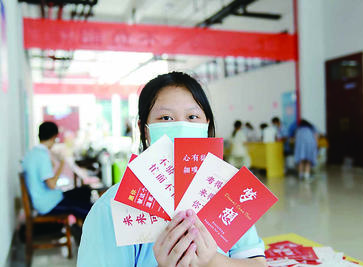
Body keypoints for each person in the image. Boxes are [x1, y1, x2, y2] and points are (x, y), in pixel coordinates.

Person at [77, 72, 266, 267]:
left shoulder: (229, 194)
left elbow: (257, 264)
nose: (182, 127)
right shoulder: (112, 209)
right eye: (166, 117)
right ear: (145, 130)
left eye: (192, 116)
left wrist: (212, 261)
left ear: (206, 124)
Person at [22, 122, 93, 242]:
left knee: (83, 192)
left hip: (45, 199)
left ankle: (81, 229)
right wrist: (61, 165)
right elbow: (52, 184)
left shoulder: (32, 153)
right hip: (48, 203)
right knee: (81, 205)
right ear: (54, 137)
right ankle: (90, 227)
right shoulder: (42, 155)